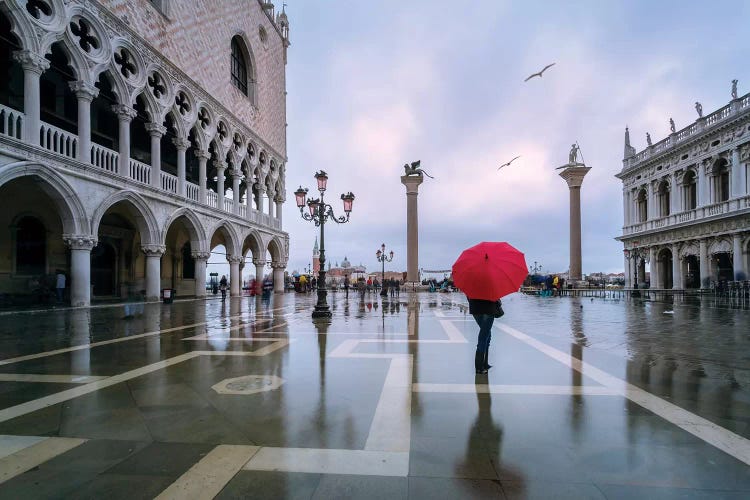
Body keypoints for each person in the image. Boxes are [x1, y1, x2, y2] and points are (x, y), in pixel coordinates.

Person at [467, 297, 501, 374]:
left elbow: (468, 296)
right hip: (488, 308)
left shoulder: (472, 285)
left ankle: (484, 363)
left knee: (487, 335)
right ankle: (479, 367)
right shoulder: (491, 284)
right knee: (484, 336)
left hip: (475, 309)